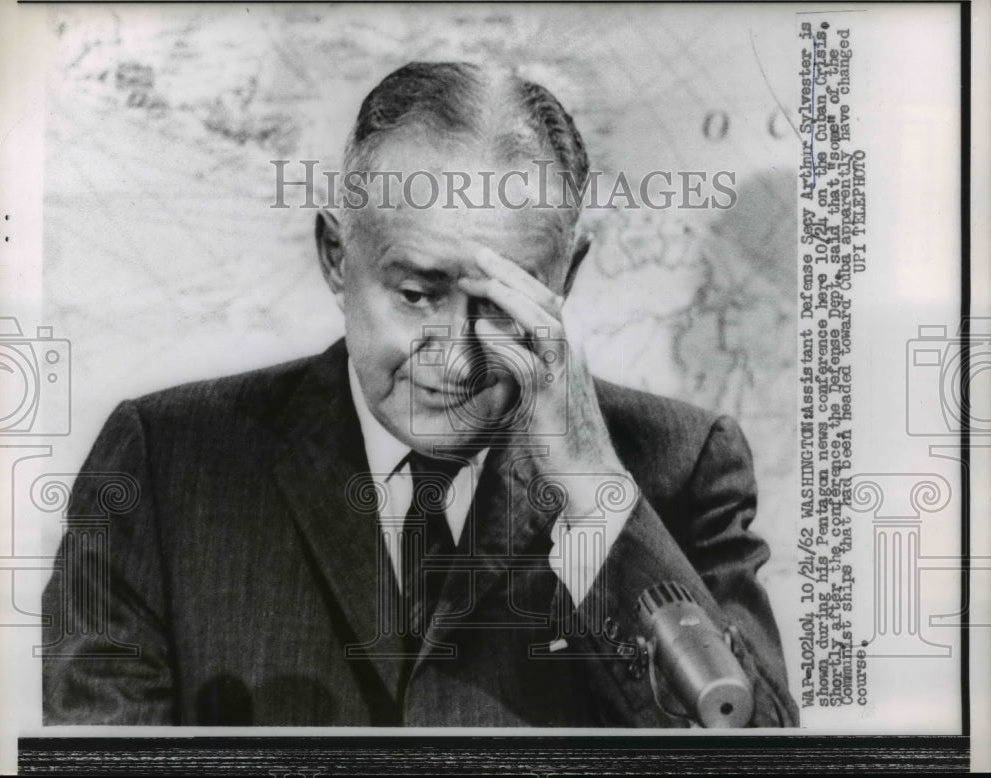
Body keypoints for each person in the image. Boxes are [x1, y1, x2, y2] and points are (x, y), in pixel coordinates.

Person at [41, 62, 798, 727]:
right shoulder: (162, 465)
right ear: (336, 256)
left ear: (565, 279)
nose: (458, 358)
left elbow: (752, 751)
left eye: (500, 304)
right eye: (415, 295)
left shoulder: (681, 467)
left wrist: (595, 495)